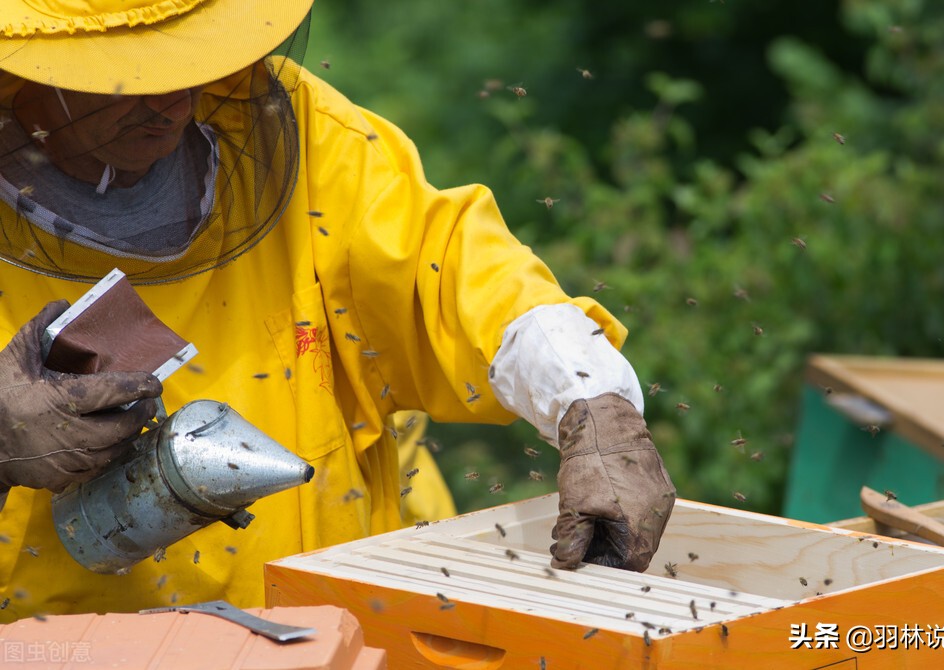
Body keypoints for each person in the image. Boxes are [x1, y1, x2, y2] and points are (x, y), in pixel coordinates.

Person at [0, 0, 676, 618]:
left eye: (189, 61)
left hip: (324, 624)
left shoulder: (289, 127)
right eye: (129, 76)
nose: (173, 101)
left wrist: (592, 404)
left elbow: (452, 267)